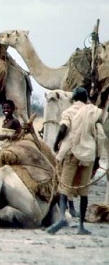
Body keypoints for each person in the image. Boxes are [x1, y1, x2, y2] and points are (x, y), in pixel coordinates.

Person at [46, 87, 106, 235]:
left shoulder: (69, 112)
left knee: (63, 187)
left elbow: (62, 129)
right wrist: (98, 157)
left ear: (73, 99)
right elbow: (100, 136)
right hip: (88, 155)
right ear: (86, 99)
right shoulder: (94, 112)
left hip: (71, 152)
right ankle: (80, 226)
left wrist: (55, 144)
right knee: (84, 192)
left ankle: (62, 218)